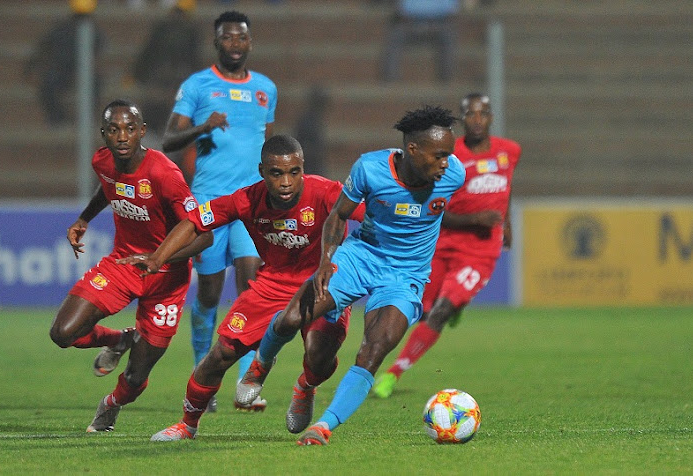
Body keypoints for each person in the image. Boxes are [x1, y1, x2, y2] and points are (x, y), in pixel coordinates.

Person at [234, 105, 466, 445]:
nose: (447, 163)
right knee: (291, 318)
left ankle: (321, 424)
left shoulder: (453, 175)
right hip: (360, 257)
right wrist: (327, 259)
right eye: (440, 155)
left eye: (450, 154)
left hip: (405, 275)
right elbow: (338, 216)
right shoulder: (370, 169)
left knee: (373, 351)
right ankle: (261, 364)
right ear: (413, 150)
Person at [116, 134, 365, 441]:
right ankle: (187, 425)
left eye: (293, 172)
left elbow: (375, 217)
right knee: (220, 354)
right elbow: (194, 222)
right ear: (262, 171)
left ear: (303, 168)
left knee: (318, 359)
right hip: (271, 286)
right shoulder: (246, 199)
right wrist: (157, 258)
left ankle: (305, 386)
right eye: (277, 173)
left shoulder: (328, 192)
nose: (286, 182)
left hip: (323, 284)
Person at [48, 99, 212, 433]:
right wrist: (84, 218)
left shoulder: (164, 173)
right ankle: (119, 340)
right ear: (103, 134)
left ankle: (112, 404)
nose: (122, 136)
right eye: (114, 129)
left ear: (142, 132)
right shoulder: (102, 161)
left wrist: (158, 259)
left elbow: (203, 238)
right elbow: (109, 187)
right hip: (123, 265)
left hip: (168, 279)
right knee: (63, 333)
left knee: (136, 378)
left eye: (129, 129)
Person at [161, 10, 277, 411]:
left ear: (249, 42)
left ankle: (247, 385)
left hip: (251, 204)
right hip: (210, 202)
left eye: (241, 38)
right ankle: (201, 371)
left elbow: (265, 145)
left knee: (252, 288)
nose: (235, 44)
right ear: (217, 42)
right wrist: (203, 127)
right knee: (209, 293)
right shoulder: (198, 85)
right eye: (227, 38)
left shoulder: (265, 89)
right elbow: (168, 140)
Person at [372, 93, 521, 398]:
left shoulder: (509, 151)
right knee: (421, 312)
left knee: (440, 311)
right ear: (462, 119)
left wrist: (506, 223)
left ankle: (392, 374)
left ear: (491, 117)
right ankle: (454, 303)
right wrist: (476, 219)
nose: (476, 120)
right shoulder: (449, 161)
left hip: (480, 252)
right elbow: (435, 210)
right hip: (443, 243)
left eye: (482, 114)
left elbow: (507, 186)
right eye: (470, 114)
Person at [23, 0, 105, 126]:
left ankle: (87, 120)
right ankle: (58, 120)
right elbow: (44, 47)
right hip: (62, 70)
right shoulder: (62, 28)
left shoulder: (94, 31)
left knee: (95, 83)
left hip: (82, 70)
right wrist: (30, 68)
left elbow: (99, 49)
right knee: (48, 85)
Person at [130, 0, 201, 137]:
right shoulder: (166, 29)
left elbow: (147, 54)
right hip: (165, 79)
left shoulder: (187, 31)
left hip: (172, 78)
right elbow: (149, 54)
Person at [381, 0, 460, 83]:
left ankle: (446, 80)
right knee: (396, 34)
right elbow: (401, 8)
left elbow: (451, 10)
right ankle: (390, 81)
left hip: (439, 23)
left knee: (448, 35)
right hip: (411, 22)